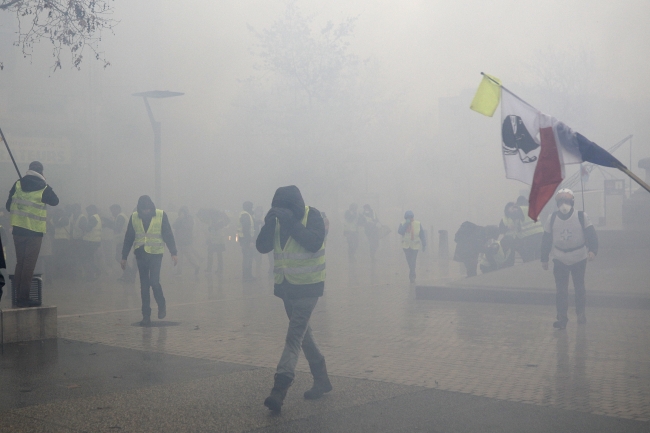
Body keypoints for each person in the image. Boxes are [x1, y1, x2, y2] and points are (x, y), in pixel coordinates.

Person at [256, 185, 331, 413]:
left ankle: (279, 390)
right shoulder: (278, 220)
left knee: (294, 336)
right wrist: (269, 223)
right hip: (287, 287)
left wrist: (291, 222)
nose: (281, 211)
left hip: (309, 287)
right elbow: (262, 247)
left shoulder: (313, 215)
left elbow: (313, 242)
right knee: (303, 335)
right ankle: (322, 380)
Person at [541, 189, 598, 330]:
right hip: (559, 258)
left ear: (572, 202)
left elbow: (591, 235)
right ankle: (562, 318)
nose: (564, 204)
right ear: (557, 203)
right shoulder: (552, 218)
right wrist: (544, 258)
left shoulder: (581, 216)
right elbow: (546, 239)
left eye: (566, 201)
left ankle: (580, 313)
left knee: (579, 288)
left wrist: (592, 250)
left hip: (579, 257)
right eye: (561, 201)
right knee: (561, 290)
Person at [5, 161, 59, 307]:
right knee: (29, 265)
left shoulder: (17, 184)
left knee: (20, 263)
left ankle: (17, 295)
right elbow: (55, 201)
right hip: (34, 232)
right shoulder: (44, 187)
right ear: (41, 172)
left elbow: (8, 206)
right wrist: (45, 182)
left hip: (18, 231)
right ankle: (24, 298)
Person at [121, 195, 177, 326]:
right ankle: (146, 316)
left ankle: (161, 304)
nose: (146, 212)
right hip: (141, 254)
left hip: (156, 254)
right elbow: (129, 237)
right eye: (143, 210)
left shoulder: (161, 215)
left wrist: (173, 252)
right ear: (139, 209)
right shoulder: (134, 217)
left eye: (147, 209)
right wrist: (124, 256)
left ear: (151, 207)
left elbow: (167, 233)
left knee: (154, 282)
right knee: (144, 286)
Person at [103, 204, 136, 283]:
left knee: (119, 257)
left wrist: (107, 223)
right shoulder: (120, 216)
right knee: (121, 258)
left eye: (112, 211)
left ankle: (129, 272)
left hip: (123, 240)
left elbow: (117, 228)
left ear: (117, 209)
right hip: (123, 240)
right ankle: (127, 274)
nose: (112, 213)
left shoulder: (120, 216)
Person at [397, 210, 426, 284]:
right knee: (409, 261)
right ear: (405, 218)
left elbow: (421, 234)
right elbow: (400, 232)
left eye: (410, 217)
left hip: (415, 246)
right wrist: (406, 224)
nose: (409, 219)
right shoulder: (403, 223)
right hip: (406, 246)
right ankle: (412, 271)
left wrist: (424, 243)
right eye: (408, 217)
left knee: (413, 261)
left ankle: (412, 275)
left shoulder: (417, 223)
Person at [198, 209, 229, 275]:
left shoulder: (218, 221)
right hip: (215, 240)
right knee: (216, 255)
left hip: (217, 240)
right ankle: (215, 269)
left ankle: (214, 269)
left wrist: (211, 228)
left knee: (214, 255)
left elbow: (214, 228)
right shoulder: (214, 220)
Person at [172, 206, 200, 278]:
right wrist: (180, 220)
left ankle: (196, 266)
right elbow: (174, 226)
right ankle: (179, 272)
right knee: (179, 257)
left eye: (183, 212)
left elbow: (188, 227)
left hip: (186, 241)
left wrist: (182, 221)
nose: (181, 214)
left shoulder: (189, 219)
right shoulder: (179, 219)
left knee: (189, 256)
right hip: (179, 240)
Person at [79, 205, 102, 281]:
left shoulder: (93, 218)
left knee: (87, 258)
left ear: (93, 210)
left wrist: (82, 226)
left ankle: (93, 273)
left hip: (91, 241)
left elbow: (88, 228)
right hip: (94, 241)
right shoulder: (97, 217)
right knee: (89, 258)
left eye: (89, 211)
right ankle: (93, 273)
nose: (88, 213)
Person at [238, 201, 255, 281]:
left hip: (244, 240)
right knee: (248, 258)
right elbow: (246, 229)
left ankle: (247, 275)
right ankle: (247, 276)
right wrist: (250, 241)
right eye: (251, 206)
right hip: (246, 240)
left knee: (246, 258)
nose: (252, 208)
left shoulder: (244, 214)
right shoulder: (246, 215)